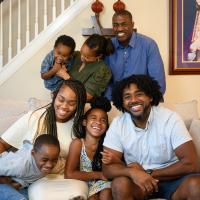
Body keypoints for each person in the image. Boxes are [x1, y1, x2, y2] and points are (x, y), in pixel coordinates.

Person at [102, 75, 200, 200]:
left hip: (174, 180)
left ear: (150, 97)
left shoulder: (170, 119)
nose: (133, 100)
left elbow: (191, 163)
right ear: (122, 102)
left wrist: (149, 173)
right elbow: (107, 168)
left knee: (196, 185)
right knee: (120, 184)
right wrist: (132, 173)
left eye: (139, 94)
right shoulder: (118, 124)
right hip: (138, 183)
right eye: (127, 97)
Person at [0, 79, 89, 200]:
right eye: (61, 99)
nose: (64, 106)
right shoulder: (35, 118)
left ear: (79, 105)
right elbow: (2, 143)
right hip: (27, 179)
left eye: (72, 103)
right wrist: (4, 178)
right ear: (54, 96)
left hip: (58, 180)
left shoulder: (79, 127)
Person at [104, 10, 165, 100]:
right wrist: (112, 102)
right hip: (115, 101)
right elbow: (106, 82)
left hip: (142, 102)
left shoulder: (148, 45)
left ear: (132, 25)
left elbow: (158, 82)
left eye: (124, 24)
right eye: (116, 25)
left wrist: (144, 102)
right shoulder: (108, 46)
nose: (120, 28)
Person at [65, 96, 112, 200]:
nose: (98, 122)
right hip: (86, 185)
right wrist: (99, 175)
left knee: (106, 192)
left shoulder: (108, 146)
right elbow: (69, 174)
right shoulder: (78, 144)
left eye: (103, 120)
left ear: (107, 127)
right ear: (85, 122)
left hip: (105, 184)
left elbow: (112, 171)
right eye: (93, 118)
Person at [0, 134, 60, 200]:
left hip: (21, 186)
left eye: (54, 160)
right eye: (44, 160)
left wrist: (21, 183)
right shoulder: (20, 164)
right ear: (33, 154)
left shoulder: (56, 163)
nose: (49, 165)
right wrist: (7, 183)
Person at [69, 34, 113, 100]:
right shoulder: (76, 55)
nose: (82, 57)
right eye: (81, 52)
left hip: (83, 105)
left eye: (87, 57)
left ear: (99, 56)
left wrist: (66, 77)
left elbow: (87, 96)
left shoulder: (102, 69)